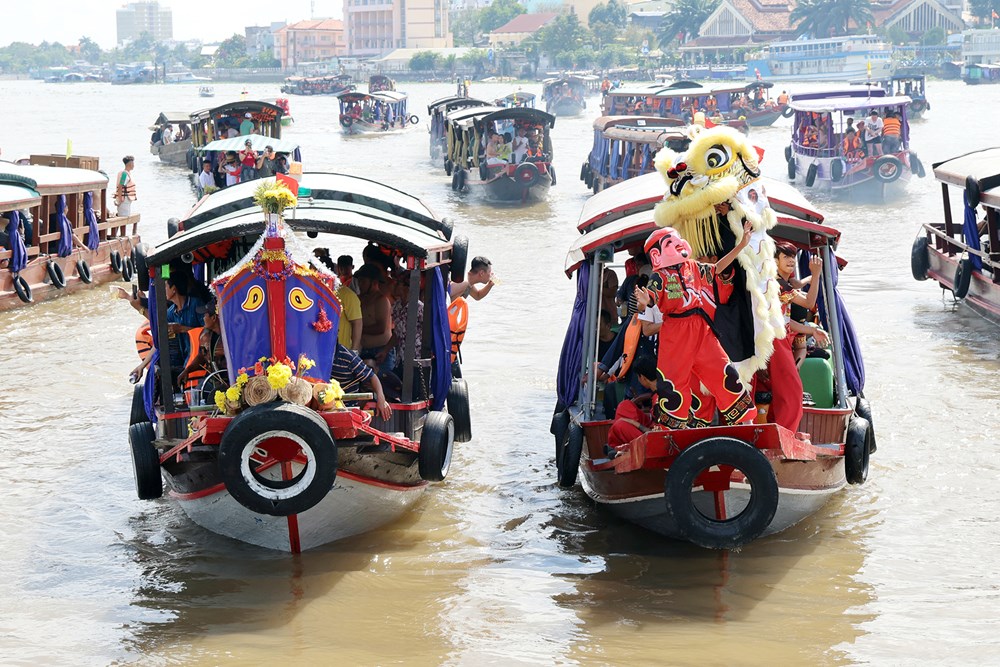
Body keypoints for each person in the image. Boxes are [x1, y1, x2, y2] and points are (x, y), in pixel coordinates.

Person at [636, 223, 757, 429]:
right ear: (657, 255)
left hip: (702, 329)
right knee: (674, 381)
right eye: (671, 243)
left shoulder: (692, 266)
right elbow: (649, 301)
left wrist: (741, 246)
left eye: (677, 240)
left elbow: (717, 268)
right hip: (676, 331)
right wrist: (642, 301)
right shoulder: (660, 277)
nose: (679, 244)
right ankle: (671, 431)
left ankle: (746, 421)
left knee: (723, 370)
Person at [761, 242, 830, 432]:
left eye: (793, 256)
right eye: (786, 257)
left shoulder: (782, 283)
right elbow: (809, 303)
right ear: (775, 261)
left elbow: (785, 321)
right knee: (792, 391)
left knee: (779, 390)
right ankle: (786, 433)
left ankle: (777, 430)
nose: (791, 260)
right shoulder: (778, 285)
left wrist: (811, 331)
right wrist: (816, 275)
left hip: (778, 337)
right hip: (775, 340)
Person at [606, 354, 659, 448]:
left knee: (620, 426)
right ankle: (620, 442)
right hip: (651, 425)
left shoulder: (661, 399)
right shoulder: (657, 392)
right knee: (625, 406)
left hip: (654, 440)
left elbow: (659, 433)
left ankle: (620, 446)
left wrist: (635, 424)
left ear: (642, 377)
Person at [330, 343, 392, 421]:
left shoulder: (348, 357)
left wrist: (381, 398)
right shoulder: (315, 353)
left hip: (346, 409)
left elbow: (372, 377)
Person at [177, 300, 226, 389]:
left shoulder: (229, 337)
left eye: (204, 315)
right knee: (196, 395)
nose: (202, 318)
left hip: (228, 382)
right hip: (211, 380)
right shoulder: (206, 335)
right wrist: (187, 370)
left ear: (214, 318)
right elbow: (202, 356)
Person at [355, 263, 394, 372]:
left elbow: (380, 328)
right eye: (359, 281)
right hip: (362, 350)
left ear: (374, 282)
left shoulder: (381, 300)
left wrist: (356, 328)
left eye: (363, 281)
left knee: (384, 383)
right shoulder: (358, 299)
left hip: (380, 352)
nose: (359, 284)